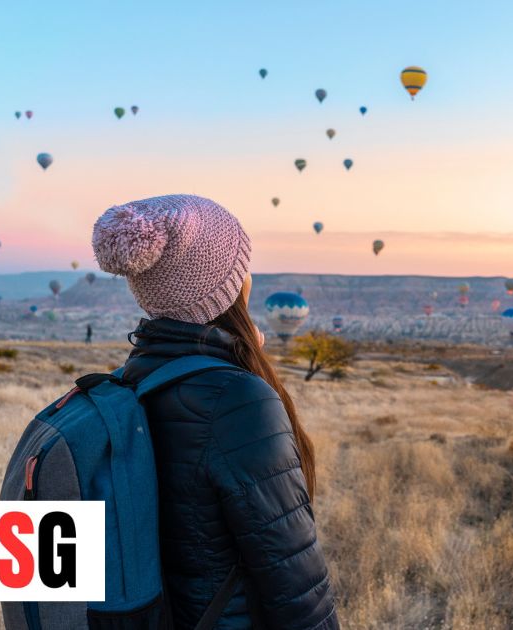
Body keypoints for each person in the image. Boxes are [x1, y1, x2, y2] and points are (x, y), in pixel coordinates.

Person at [91, 194, 338, 630]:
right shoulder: (236, 399)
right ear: (229, 283)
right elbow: (294, 579)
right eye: (242, 266)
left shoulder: (133, 380)